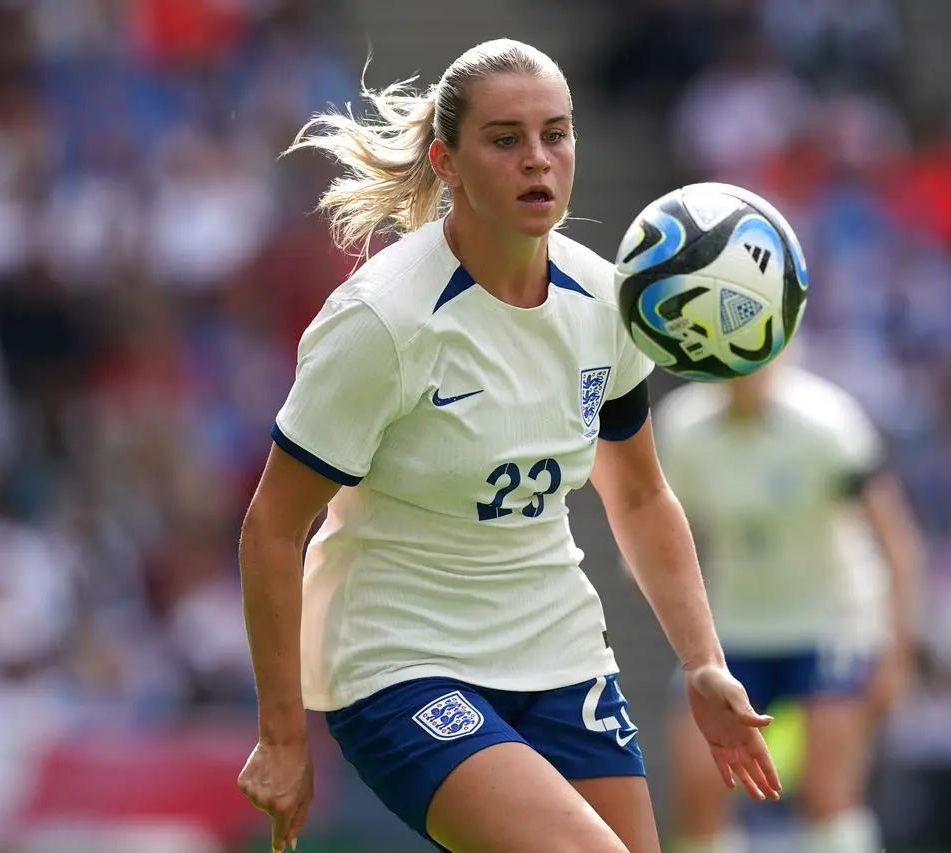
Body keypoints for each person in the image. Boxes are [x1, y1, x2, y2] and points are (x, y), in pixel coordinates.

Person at [234, 38, 781, 853]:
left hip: (557, 647)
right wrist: (283, 735)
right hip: (401, 659)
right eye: (504, 139)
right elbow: (272, 527)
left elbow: (636, 493)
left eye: (555, 134)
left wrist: (703, 661)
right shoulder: (383, 323)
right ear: (445, 162)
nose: (537, 159)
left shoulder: (605, 300)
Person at [653, 359, 926, 853]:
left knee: (827, 797)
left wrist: (897, 653)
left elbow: (896, 542)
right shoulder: (683, 427)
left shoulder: (827, 420)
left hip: (828, 623)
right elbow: (664, 525)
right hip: (733, 627)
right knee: (696, 793)